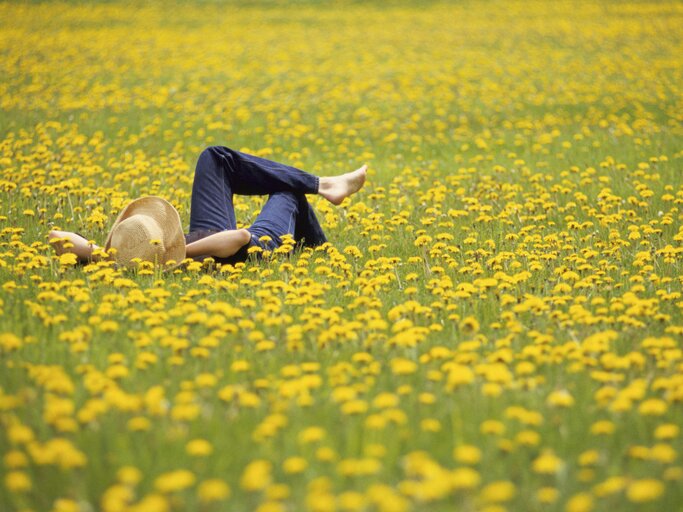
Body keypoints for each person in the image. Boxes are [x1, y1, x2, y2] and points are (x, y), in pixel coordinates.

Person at [49, 146, 367, 267]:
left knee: (215, 157)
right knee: (287, 192)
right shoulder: (177, 258)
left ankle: (323, 186)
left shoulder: (120, 259)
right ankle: (320, 243)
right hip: (254, 248)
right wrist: (175, 255)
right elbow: (240, 238)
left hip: (204, 231)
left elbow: (57, 236)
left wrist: (98, 252)